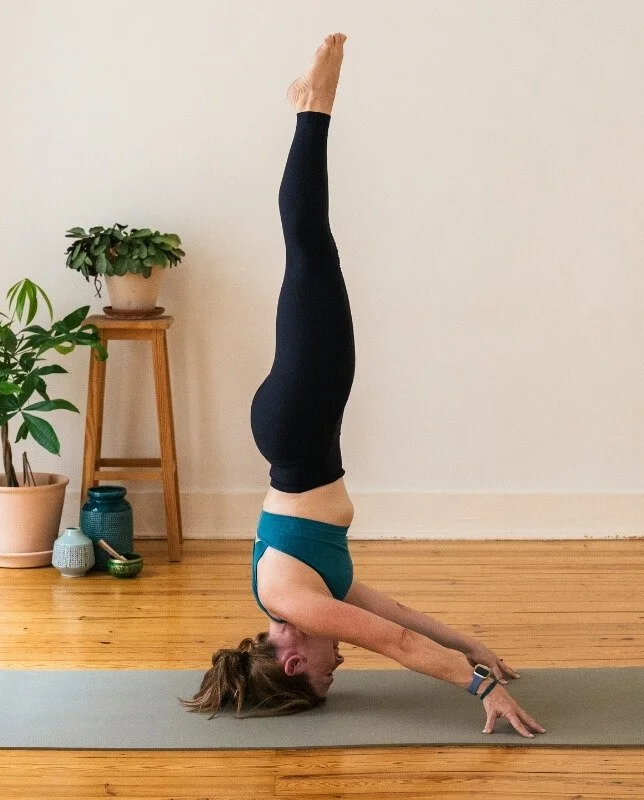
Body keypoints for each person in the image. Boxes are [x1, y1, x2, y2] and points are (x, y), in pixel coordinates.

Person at [181, 33, 546, 738]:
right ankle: (310, 110)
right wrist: (468, 646)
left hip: (300, 427)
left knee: (310, 248)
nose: (337, 665)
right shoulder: (305, 594)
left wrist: (480, 694)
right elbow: (399, 620)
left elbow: (394, 648)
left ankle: (311, 108)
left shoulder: (294, 598)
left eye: (323, 674)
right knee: (311, 254)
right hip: (299, 432)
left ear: (291, 662)